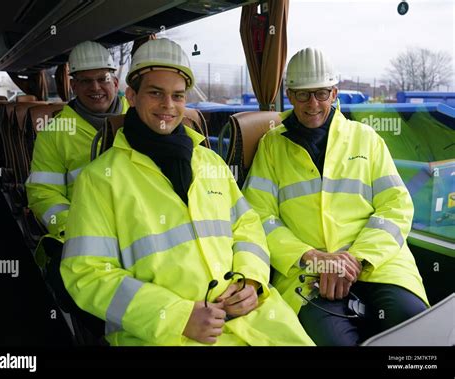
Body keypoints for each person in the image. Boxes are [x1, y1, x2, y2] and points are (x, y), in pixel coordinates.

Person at [60, 38, 315, 346]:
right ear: (132, 96)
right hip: (163, 335)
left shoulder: (210, 162)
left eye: (178, 96)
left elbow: (247, 225)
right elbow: (86, 274)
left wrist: (251, 280)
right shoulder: (99, 180)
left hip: (256, 320)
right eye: (156, 93)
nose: (168, 105)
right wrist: (177, 316)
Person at [242, 47, 429, 346]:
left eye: (321, 93)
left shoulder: (366, 139)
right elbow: (257, 216)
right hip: (309, 274)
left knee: (416, 330)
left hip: (378, 264)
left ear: (334, 92)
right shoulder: (271, 147)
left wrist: (356, 258)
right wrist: (311, 257)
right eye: (303, 94)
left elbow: (396, 205)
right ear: (290, 95)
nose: (313, 103)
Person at [25, 41, 128, 318]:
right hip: (81, 236)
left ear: (115, 80)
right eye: (85, 81)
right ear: (73, 86)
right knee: (89, 305)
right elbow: (43, 193)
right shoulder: (55, 132)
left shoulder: (141, 116)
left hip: (138, 230)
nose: (95, 88)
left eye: (102, 79)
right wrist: (79, 232)